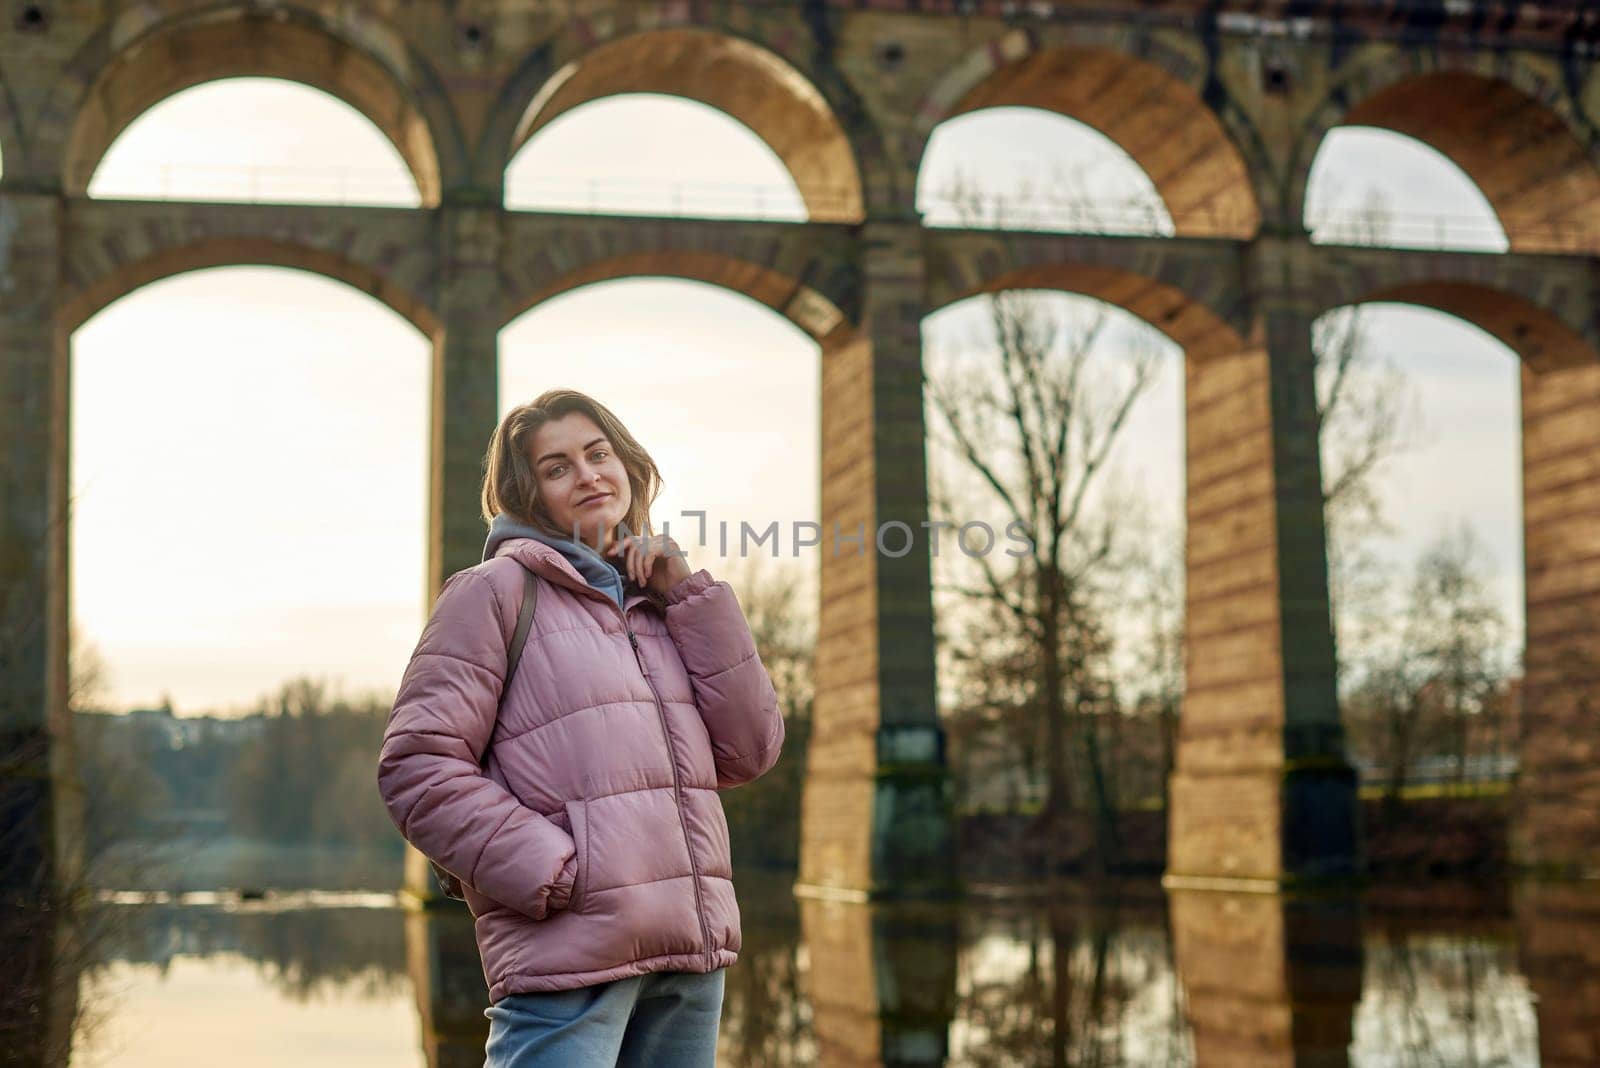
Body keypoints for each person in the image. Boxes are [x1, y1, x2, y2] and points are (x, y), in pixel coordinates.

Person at [376, 388, 785, 1066]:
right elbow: (416, 768)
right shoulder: (494, 593)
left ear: (627, 466)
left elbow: (751, 750)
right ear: (526, 495)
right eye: (557, 466)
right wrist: (557, 871)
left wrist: (689, 598)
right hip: (570, 962)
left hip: (688, 958)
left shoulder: (664, 603)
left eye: (598, 454)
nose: (588, 474)